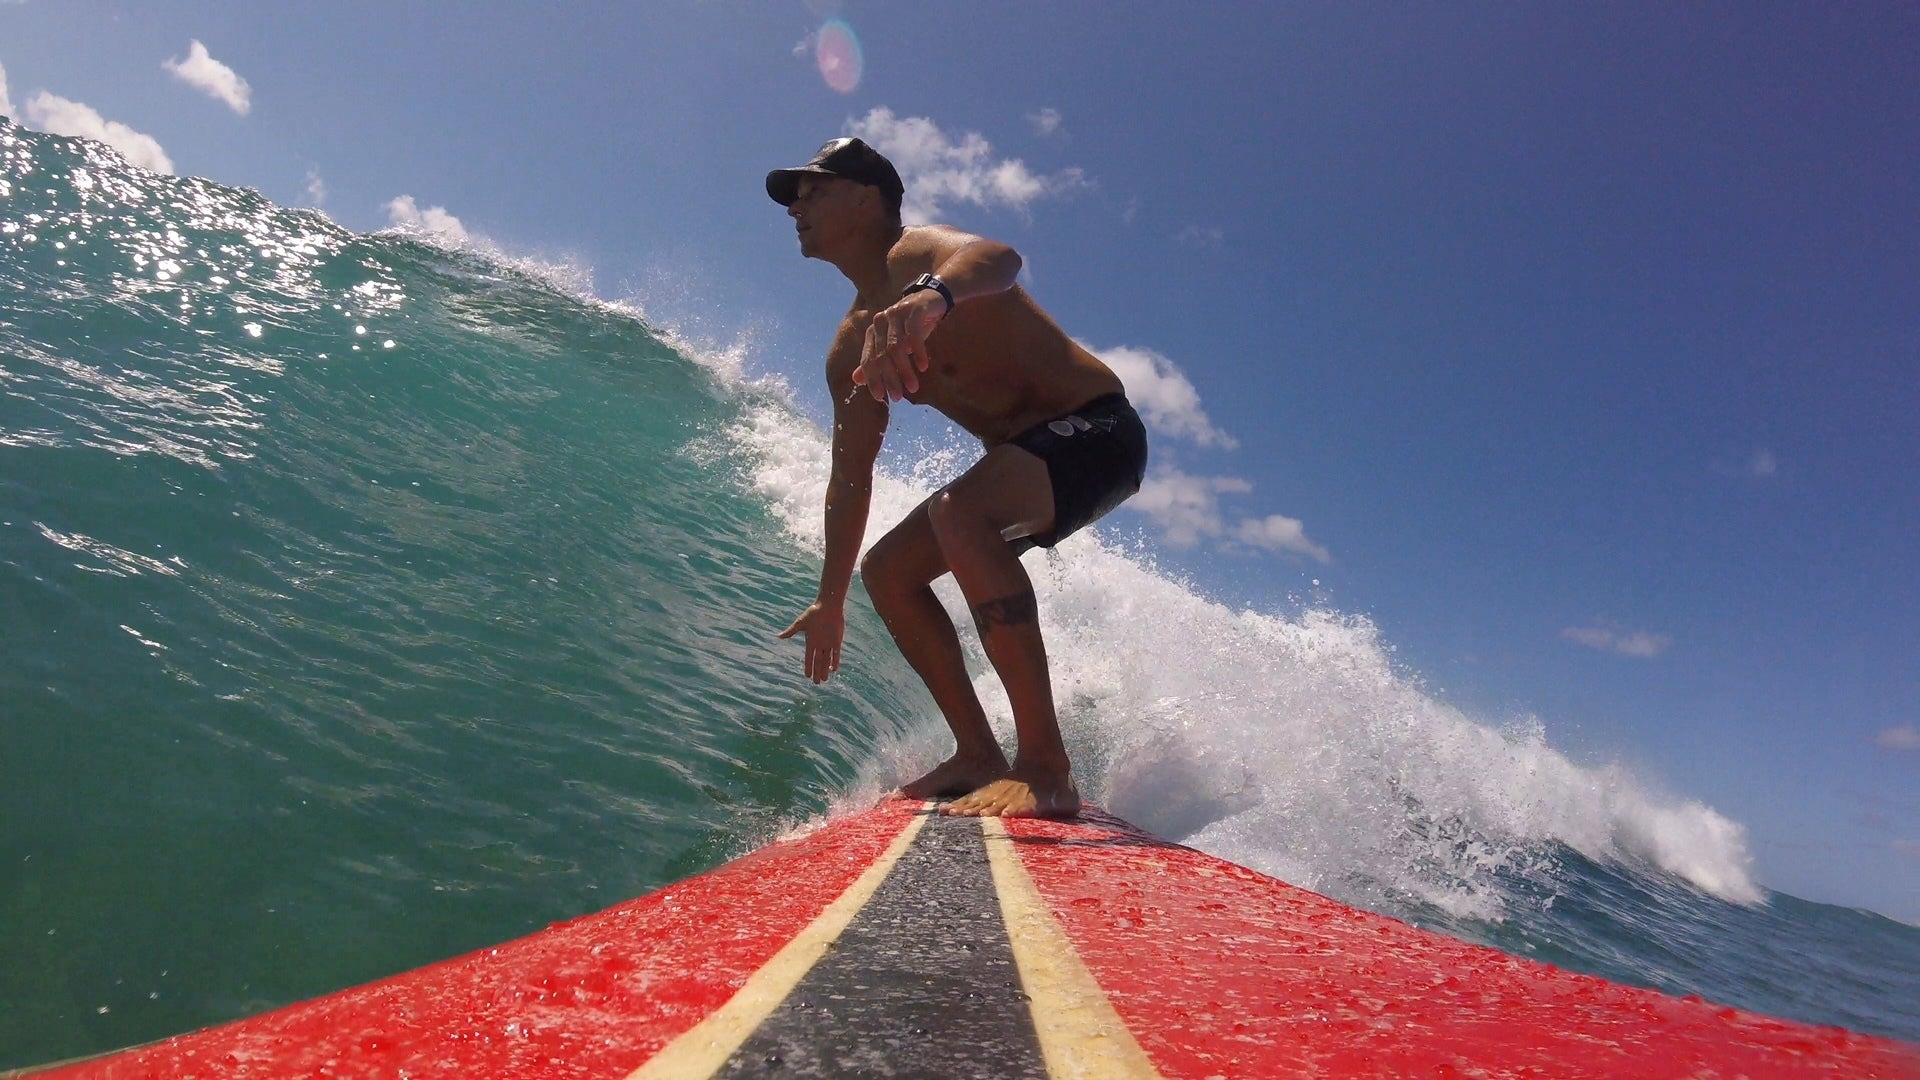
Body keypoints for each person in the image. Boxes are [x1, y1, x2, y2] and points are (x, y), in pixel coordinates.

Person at [770, 138, 1147, 818]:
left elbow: (1001, 257)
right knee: (888, 572)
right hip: (1026, 461)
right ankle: (978, 753)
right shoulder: (850, 346)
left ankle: (1046, 768)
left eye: (814, 191)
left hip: (1101, 431)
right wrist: (830, 599)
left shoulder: (923, 256)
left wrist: (933, 297)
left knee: (958, 513)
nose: (797, 208)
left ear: (868, 197)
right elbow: (850, 478)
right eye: (794, 199)